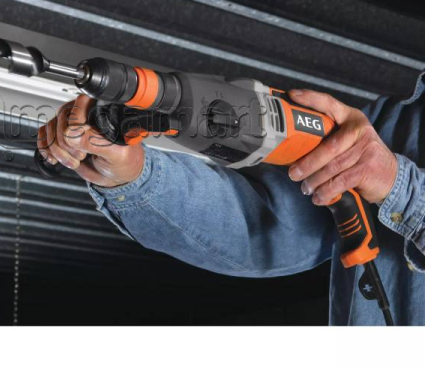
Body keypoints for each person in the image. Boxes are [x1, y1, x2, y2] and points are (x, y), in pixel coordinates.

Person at [37, 74, 425, 325]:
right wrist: (135, 175)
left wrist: (399, 186)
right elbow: (268, 228)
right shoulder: (392, 120)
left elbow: (396, 186)